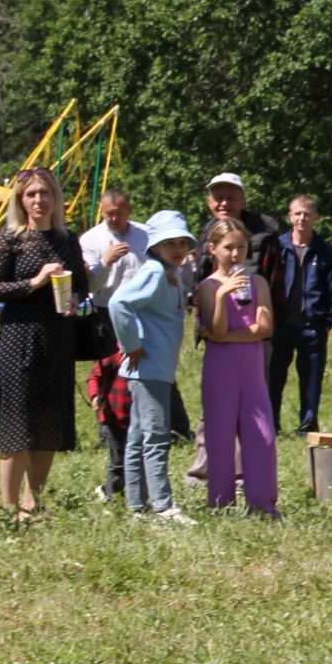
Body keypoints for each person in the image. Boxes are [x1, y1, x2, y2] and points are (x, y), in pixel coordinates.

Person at [0, 168, 91, 521]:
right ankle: (8, 508)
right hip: (18, 337)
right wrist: (34, 282)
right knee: (17, 421)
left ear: (55, 198)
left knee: (48, 419)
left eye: (45, 193)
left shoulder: (67, 239)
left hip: (57, 337)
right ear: (20, 200)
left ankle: (33, 502)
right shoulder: (10, 239)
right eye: (31, 194)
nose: (39, 200)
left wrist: (75, 299)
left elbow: (83, 284)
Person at [187, 172, 285, 483]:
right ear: (208, 201)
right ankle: (208, 469)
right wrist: (207, 324)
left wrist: (241, 332)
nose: (223, 202)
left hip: (252, 337)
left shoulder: (263, 235)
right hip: (218, 336)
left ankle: (245, 472)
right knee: (215, 410)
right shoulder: (207, 235)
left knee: (253, 408)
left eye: (230, 196)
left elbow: (273, 290)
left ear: (243, 199)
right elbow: (201, 288)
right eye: (218, 196)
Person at [109, 211, 199, 524]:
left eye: (182, 242)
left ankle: (137, 506)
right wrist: (131, 344)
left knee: (137, 436)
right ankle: (162, 506)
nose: (177, 248)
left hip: (153, 369)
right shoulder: (155, 273)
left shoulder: (168, 273)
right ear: (155, 247)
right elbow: (118, 304)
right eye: (168, 243)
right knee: (157, 436)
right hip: (149, 369)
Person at [194, 217, 280, 517]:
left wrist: (229, 336)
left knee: (262, 434)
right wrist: (221, 295)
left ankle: (262, 503)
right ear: (213, 248)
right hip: (221, 369)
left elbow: (265, 327)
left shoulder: (257, 282)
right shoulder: (208, 286)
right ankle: (220, 502)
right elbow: (215, 330)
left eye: (241, 247)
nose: (235, 254)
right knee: (219, 436)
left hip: (252, 368)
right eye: (228, 248)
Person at [78, 188, 151, 500]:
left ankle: (143, 421)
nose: (114, 218)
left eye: (119, 212)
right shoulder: (90, 240)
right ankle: (108, 431)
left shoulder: (147, 235)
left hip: (141, 313)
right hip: (106, 314)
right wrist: (104, 262)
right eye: (109, 213)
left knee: (141, 373)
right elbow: (88, 285)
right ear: (102, 211)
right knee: (109, 374)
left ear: (129, 208)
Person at [267, 194, 332, 435]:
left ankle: (307, 425)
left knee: (311, 382)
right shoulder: (277, 248)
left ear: (316, 218)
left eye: (307, 213)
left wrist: (329, 321)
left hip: (313, 327)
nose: (302, 218)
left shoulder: (326, 252)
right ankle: (271, 423)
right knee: (274, 378)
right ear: (289, 216)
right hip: (280, 326)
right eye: (297, 213)